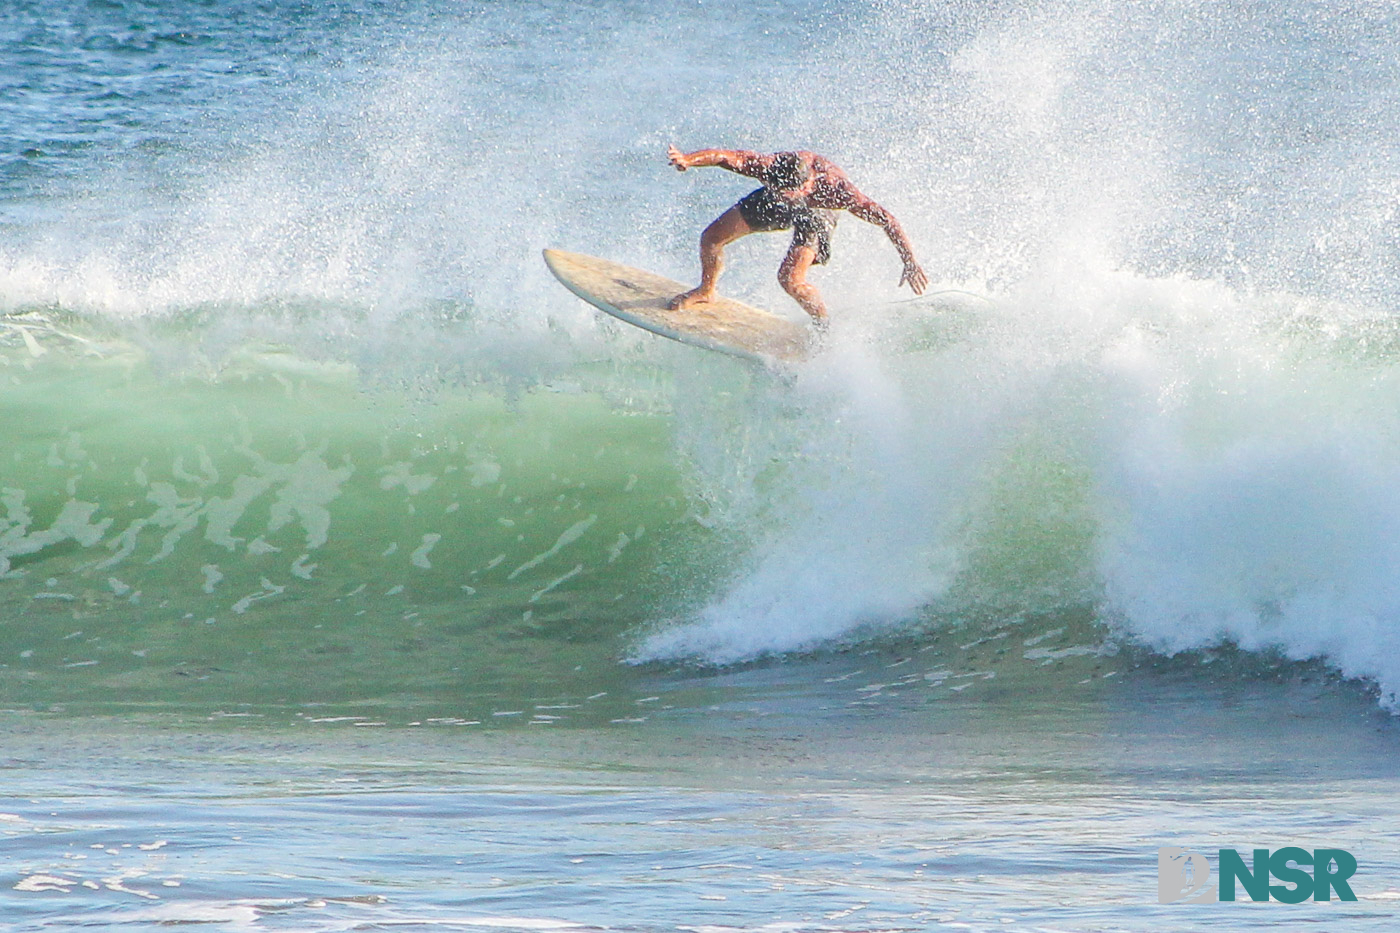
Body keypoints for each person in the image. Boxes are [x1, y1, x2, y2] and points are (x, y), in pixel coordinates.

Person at [666, 145, 928, 325]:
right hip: (774, 197)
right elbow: (723, 156)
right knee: (711, 238)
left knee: (790, 279)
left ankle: (823, 325)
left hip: (817, 214)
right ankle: (706, 290)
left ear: (806, 185)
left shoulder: (836, 191)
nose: (785, 198)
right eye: (781, 192)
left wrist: (909, 260)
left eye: (789, 194)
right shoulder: (767, 168)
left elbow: (887, 219)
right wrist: (687, 159)